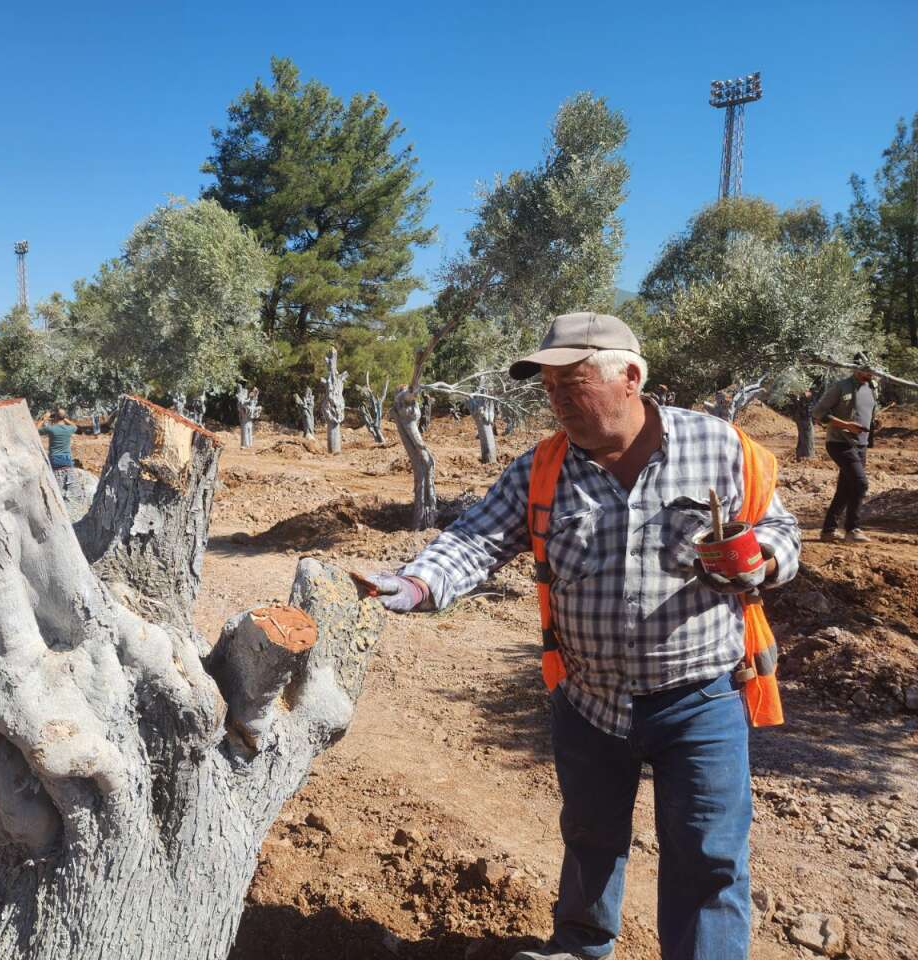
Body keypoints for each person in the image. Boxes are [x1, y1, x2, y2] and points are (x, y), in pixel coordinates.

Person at [367, 312, 801, 960]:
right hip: (588, 700)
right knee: (591, 839)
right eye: (548, 386)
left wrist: (760, 556)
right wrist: (417, 585)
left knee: (707, 857)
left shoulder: (721, 448)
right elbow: (475, 537)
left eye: (573, 380)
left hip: (700, 698)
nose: (558, 398)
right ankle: (581, 948)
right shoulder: (539, 470)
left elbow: (779, 530)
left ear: (630, 377)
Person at [811, 354, 876, 542]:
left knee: (846, 489)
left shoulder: (872, 388)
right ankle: (853, 529)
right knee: (860, 483)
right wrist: (847, 425)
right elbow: (817, 412)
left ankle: (828, 531)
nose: (872, 373)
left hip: (861, 445)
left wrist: (874, 423)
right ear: (856, 368)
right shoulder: (841, 387)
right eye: (868, 369)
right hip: (839, 443)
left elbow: (867, 413)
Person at [37, 408, 82, 491]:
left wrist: (44, 419)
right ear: (64, 417)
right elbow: (75, 426)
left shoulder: (51, 429)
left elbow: (35, 430)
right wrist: (63, 418)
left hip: (54, 459)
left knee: (56, 484)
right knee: (69, 484)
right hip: (67, 459)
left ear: (55, 417)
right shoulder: (69, 429)